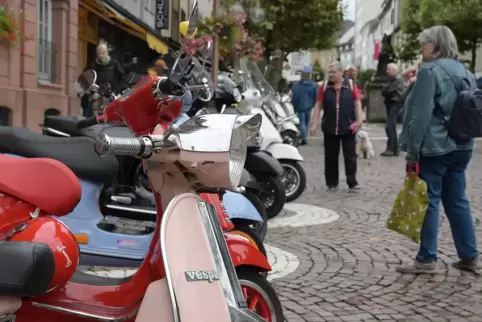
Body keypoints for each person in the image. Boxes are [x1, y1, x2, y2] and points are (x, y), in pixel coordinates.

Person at [397, 25, 480, 274]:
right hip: (463, 145)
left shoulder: (429, 72)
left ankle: (426, 260)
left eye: (425, 43)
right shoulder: (466, 71)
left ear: (436, 45)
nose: (422, 48)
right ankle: (469, 255)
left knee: (429, 200)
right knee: (458, 200)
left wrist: (412, 152)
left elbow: (420, 116)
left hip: (435, 147)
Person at [309, 61, 364, 191]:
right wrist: (314, 123)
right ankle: (332, 183)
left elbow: (357, 103)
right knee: (331, 156)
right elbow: (318, 104)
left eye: (333, 72)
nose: (331, 75)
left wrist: (360, 119)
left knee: (350, 156)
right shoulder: (324, 86)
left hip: (348, 126)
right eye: (329, 72)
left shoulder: (350, 85)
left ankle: (352, 181)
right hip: (330, 125)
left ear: (341, 72)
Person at [82, 43, 124, 117]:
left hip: (112, 96)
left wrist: (115, 93)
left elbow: (122, 80)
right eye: (99, 53)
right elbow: (86, 81)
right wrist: (92, 93)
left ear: (107, 53)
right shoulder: (92, 66)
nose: (101, 55)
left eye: (103, 53)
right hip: (98, 98)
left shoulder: (114, 63)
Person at [381, 63, 405, 156]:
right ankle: (394, 148)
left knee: (390, 126)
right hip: (390, 104)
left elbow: (387, 90)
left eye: (389, 69)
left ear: (394, 71)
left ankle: (391, 149)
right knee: (391, 126)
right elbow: (384, 91)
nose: (387, 71)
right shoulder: (391, 80)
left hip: (395, 104)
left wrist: (385, 88)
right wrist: (386, 89)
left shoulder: (398, 80)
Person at [291, 65, 317, 145]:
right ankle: (304, 137)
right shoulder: (313, 85)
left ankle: (304, 137)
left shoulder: (298, 85)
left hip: (300, 106)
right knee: (306, 122)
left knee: (302, 122)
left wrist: (294, 105)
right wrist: (313, 104)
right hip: (309, 107)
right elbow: (315, 96)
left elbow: (295, 96)